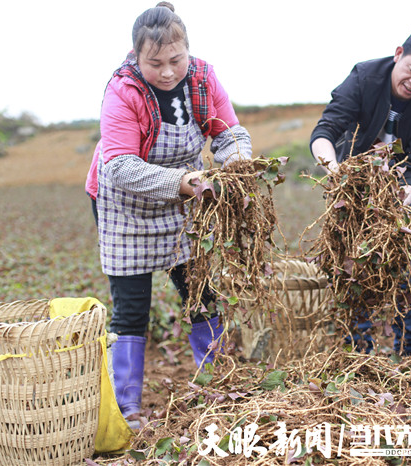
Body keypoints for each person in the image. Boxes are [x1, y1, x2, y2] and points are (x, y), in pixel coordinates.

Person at [84, 2, 252, 428]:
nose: (166, 72)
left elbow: (227, 132)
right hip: (125, 204)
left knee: (200, 293)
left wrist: (236, 165)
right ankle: (128, 408)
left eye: (175, 60)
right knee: (131, 308)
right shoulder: (123, 91)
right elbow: (119, 164)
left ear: (188, 51)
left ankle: (216, 385)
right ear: (136, 58)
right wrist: (185, 182)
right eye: (154, 63)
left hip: (184, 199)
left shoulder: (202, 78)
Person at [309, 25, 411, 356]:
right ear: (399, 53)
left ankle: (409, 351)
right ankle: (359, 352)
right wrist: (335, 171)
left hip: (403, 198)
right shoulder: (364, 78)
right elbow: (326, 130)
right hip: (355, 191)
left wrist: (406, 196)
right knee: (353, 271)